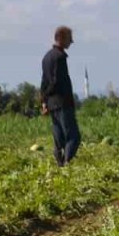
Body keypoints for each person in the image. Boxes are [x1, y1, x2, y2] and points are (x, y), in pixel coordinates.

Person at [40, 26, 81, 167]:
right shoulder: (60, 57)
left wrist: (44, 101)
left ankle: (59, 162)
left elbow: (44, 82)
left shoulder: (47, 57)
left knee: (59, 137)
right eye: (70, 38)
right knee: (73, 137)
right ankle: (66, 163)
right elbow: (55, 82)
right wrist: (48, 95)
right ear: (62, 38)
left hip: (52, 104)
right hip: (62, 102)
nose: (72, 41)